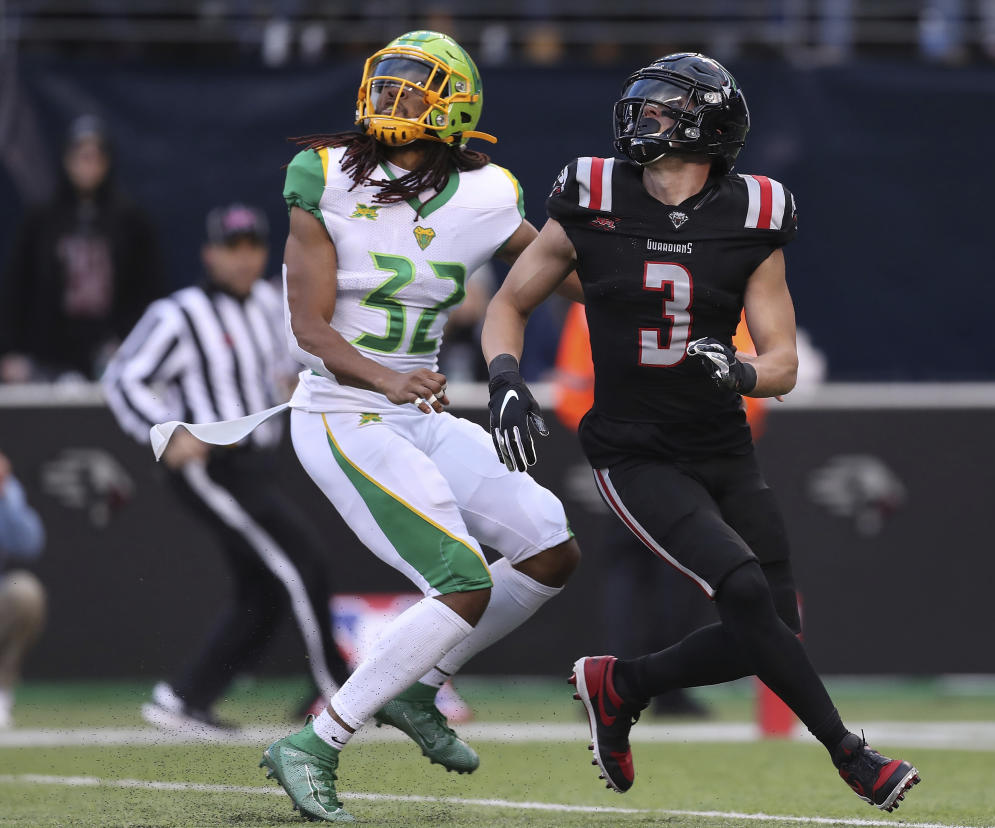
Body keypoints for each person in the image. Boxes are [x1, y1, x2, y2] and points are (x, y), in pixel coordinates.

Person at [481, 53, 921, 812]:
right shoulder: (591, 194)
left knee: (774, 628)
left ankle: (621, 685)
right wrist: (503, 378)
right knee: (743, 588)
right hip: (633, 446)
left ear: (705, 128)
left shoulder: (752, 214)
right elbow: (511, 303)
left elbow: (781, 362)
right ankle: (850, 753)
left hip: (721, 446)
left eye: (658, 111)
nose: (638, 120)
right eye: (641, 107)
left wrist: (743, 371)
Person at [257, 31, 579, 822]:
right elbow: (311, 329)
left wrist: (643, 274)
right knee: (463, 580)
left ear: (457, 106)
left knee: (549, 548)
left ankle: (419, 690)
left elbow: (554, 277)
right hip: (342, 412)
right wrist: (388, 377)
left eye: (416, 85)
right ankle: (318, 739)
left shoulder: (489, 193)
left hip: (415, 412)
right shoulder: (323, 174)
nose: (395, 99)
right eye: (389, 82)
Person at [102, 203, 353, 736]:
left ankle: (184, 697)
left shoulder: (267, 303)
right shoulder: (180, 313)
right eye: (231, 248)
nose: (242, 259)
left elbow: (286, 367)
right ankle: (340, 688)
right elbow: (123, 378)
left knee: (264, 590)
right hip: (212, 464)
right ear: (209, 253)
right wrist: (167, 431)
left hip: (257, 463)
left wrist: (293, 387)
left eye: (252, 247)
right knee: (300, 561)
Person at [554, 305, 772, 718]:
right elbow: (748, 379)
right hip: (695, 447)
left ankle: (615, 684)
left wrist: (610, 434)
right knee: (688, 566)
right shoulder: (717, 284)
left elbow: (572, 389)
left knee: (634, 569)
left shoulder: (597, 291)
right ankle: (654, 685)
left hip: (629, 449)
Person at [0, 115, 163, 383]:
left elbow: (148, 291)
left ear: (108, 162)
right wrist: (9, 350)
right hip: (48, 356)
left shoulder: (132, 221)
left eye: (96, 156)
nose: (88, 165)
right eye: (81, 155)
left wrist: (131, 344)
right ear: (66, 160)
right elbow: (16, 288)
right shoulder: (42, 220)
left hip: (114, 356)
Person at [0, 450, 47, 729]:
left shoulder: (7, 488)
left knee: (25, 593)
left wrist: (4, 495)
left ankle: (1, 690)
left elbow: (30, 543)